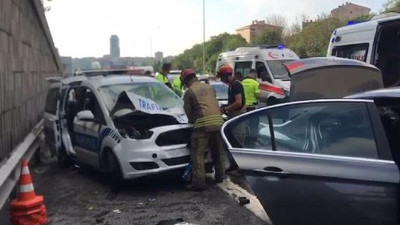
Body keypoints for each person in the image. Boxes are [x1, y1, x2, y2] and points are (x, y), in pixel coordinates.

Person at [181, 68, 225, 191]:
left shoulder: (189, 92)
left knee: (197, 155)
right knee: (218, 152)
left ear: (185, 82)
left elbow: (189, 113)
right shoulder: (210, 88)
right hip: (218, 122)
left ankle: (199, 183)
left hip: (203, 125)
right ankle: (221, 176)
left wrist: (192, 121)